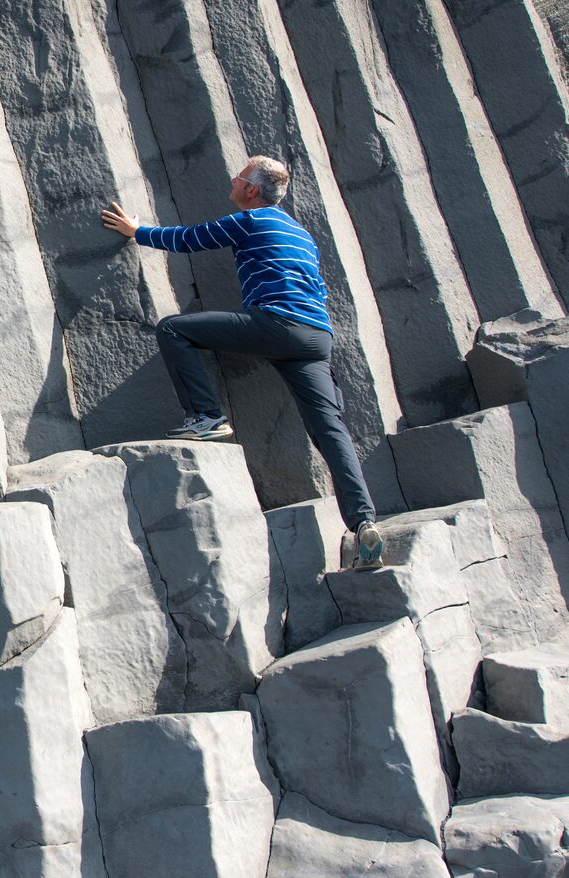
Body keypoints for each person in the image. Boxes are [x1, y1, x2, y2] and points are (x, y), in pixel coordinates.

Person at [99, 155, 385, 569]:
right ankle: (363, 525)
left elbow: (190, 240)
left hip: (275, 324)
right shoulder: (301, 233)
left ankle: (207, 417)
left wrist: (136, 231)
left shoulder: (252, 220)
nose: (232, 180)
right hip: (316, 338)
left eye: (238, 176)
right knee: (330, 431)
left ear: (251, 190)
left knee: (174, 329)